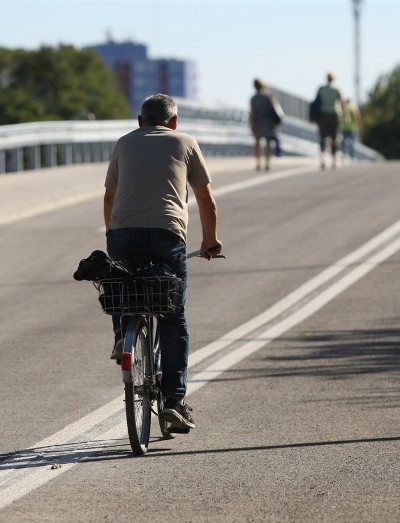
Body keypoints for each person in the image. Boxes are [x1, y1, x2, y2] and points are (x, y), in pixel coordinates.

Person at [104, 93, 222, 432]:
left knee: (121, 285)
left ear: (140, 122)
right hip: (166, 236)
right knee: (173, 316)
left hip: (122, 233)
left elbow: (109, 198)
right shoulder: (185, 142)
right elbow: (206, 200)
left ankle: (120, 336)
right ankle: (173, 400)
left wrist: (115, 239)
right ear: (174, 122)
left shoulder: (124, 144)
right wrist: (210, 241)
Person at [313, 71, 347, 170]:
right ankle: (334, 160)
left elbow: (316, 102)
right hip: (335, 114)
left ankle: (322, 159)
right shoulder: (336, 89)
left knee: (323, 136)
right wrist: (345, 115)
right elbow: (343, 101)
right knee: (335, 137)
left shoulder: (321, 89)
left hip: (323, 114)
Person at [249, 78, 283, 171]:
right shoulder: (268, 97)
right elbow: (275, 109)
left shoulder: (253, 99)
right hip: (268, 123)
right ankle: (267, 163)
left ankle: (258, 163)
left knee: (257, 141)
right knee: (268, 142)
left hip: (258, 123)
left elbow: (252, 113)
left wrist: (251, 124)